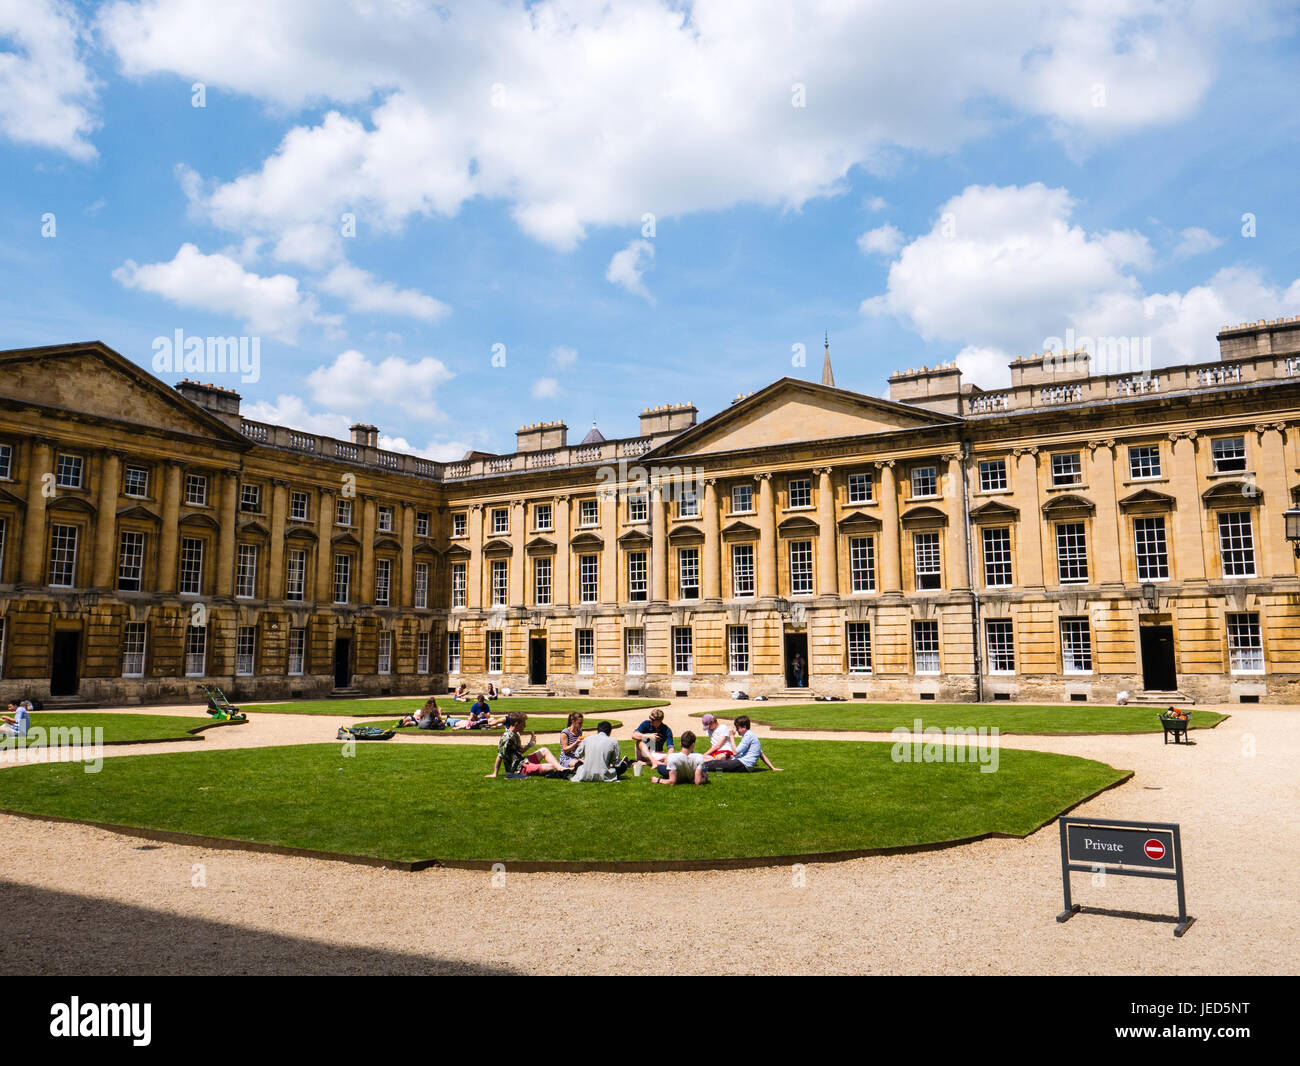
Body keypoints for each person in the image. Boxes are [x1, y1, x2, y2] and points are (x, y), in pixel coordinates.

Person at [486, 713, 566, 778]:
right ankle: (562, 770)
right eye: (523, 724)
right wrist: (495, 773)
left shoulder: (515, 734)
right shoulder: (507, 737)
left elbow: (519, 752)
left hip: (523, 761)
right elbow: (500, 755)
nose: (525, 726)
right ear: (517, 724)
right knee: (551, 767)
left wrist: (529, 745)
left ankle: (562, 769)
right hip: (519, 769)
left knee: (544, 750)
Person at [702, 715, 783, 773]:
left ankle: (698, 765)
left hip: (743, 764)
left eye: (737, 728)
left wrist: (731, 736)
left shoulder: (748, 736)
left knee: (718, 765)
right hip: (743, 763)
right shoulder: (750, 735)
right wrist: (772, 768)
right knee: (718, 762)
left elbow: (735, 752)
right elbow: (761, 754)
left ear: (744, 727)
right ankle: (698, 763)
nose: (736, 730)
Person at [569, 721, 634, 782]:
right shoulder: (613, 741)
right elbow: (616, 762)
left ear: (598, 731)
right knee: (623, 765)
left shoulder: (587, 739)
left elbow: (577, 754)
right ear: (610, 732)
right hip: (604, 775)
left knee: (578, 764)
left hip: (585, 774)